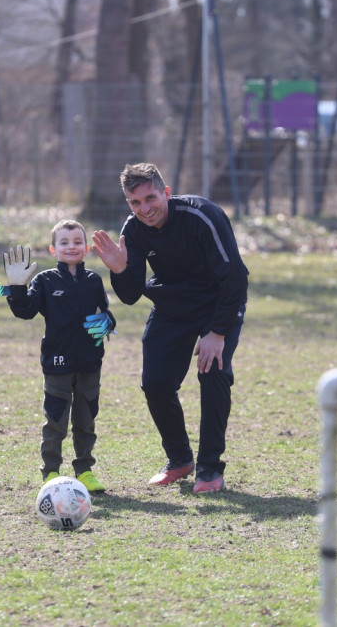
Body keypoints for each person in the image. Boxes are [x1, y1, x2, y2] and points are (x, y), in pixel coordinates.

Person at [91, 162, 248, 494]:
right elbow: (130, 295)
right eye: (135, 203)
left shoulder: (202, 215)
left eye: (150, 198)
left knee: (213, 373)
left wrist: (217, 333)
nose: (144, 209)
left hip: (218, 303)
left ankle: (210, 467)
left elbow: (234, 277)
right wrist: (119, 270)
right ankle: (180, 459)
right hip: (172, 306)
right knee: (156, 383)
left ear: (165, 192)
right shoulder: (133, 229)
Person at [0, 220, 116, 493]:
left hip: (89, 363)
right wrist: (16, 288)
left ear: (86, 248)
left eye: (77, 242)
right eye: (64, 243)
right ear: (53, 249)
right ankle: (50, 471)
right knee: (55, 419)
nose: (71, 247)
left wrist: (107, 323)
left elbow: (105, 312)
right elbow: (26, 311)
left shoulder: (94, 280)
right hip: (57, 363)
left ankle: (85, 471)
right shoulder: (45, 280)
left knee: (86, 420)